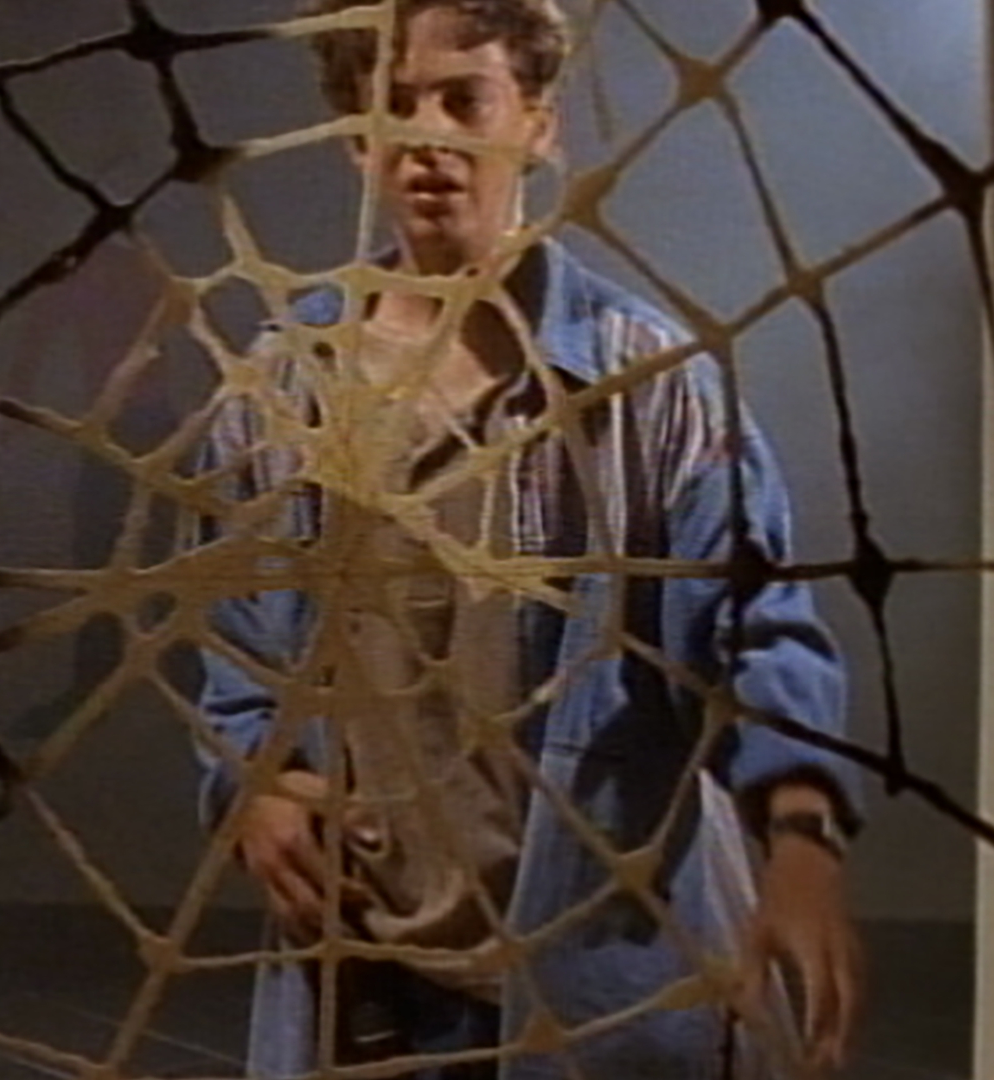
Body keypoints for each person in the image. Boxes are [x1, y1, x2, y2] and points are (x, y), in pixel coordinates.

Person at [181, 1, 866, 1076]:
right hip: (359, 970)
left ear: (538, 124)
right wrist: (252, 781)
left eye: (466, 100)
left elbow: (752, 619)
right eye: (393, 107)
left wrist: (801, 839)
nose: (429, 141)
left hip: (595, 962)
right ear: (355, 139)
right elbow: (238, 640)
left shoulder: (649, 384)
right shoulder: (282, 386)